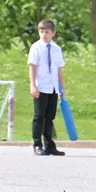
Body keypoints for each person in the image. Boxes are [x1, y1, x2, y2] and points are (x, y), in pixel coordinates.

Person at [28, 19, 67, 156]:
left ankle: (49, 144)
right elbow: (32, 67)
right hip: (41, 86)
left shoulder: (56, 49)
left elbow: (59, 70)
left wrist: (61, 88)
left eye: (47, 32)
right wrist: (33, 85)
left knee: (50, 117)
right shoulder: (36, 47)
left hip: (53, 87)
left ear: (53, 33)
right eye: (41, 31)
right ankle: (37, 144)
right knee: (39, 116)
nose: (44, 34)